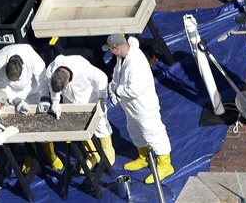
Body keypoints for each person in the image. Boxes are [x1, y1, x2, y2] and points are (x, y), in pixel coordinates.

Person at [103, 34, 174, 184]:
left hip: (144, 106)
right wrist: (112, 88)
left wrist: (116, 90)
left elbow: (134, 89)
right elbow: (116, 75)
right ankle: (144, 156)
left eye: (111, 50)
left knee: (153, 132)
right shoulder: (121, 58)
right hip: (130, 106)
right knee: (134, 130)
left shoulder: (136, 62)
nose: (110, 53)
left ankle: (165, 164)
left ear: (116, 48)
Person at [0, 44, 63, 170]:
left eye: (17, 79)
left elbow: (42, 78)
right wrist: (15, 100)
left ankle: (50, 154)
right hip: (14, 94)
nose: (15, 81)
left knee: (43, 122)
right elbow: (0, 88)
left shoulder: (31, 57)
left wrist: (44, 97)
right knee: (25, 125)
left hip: (34, 89)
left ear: (23, 67)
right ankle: (30, 154)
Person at [46, 54, 116, 170]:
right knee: (80, 127)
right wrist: (55, 100)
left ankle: (107, 152)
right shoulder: (50, 70)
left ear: (68, 81)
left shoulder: (82, 67)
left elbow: (102, 77)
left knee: (101, 124)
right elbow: (52, 88)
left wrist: (102, 98)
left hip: (89, 97)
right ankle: (93, 155)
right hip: (71, 100)